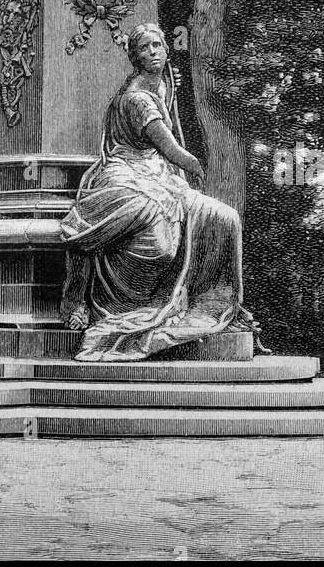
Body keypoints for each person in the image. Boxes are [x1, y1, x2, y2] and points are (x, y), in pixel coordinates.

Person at [59, 24, 264, 362]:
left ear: (167, 50)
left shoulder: (162, 85)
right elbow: (173, 150)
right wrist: (201, 168)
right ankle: (103, 302)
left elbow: (166, 147)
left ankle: (215, 302)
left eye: (158, 45)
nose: (153, 51)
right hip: (129, 173)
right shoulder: (138, 99)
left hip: (159, 175)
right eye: (144, 48)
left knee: (224, 217)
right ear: (134, 57)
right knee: (161, 246)